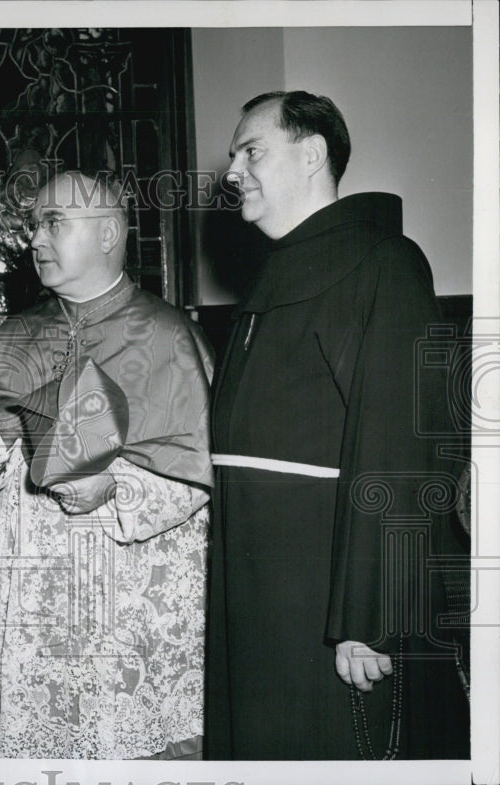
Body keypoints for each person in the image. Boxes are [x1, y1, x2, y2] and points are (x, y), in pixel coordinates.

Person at [205, 91, 470, 759]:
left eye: (251, 150)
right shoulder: (281, 268)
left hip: (328, 591)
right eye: (234, 155)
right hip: (256, 583)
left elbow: (400, 447)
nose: (232, 170)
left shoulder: (382, 262)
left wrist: (369, 617)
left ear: (312, 152)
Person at [0, 170, 214, 760]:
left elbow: (197, 468)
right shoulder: (17, 331)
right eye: (35, 224)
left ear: (110, 233)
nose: (35, 239)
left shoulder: (168, 336)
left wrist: (115, 487)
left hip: (126, 584)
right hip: (31, 577)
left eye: (52, 223)